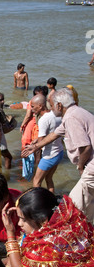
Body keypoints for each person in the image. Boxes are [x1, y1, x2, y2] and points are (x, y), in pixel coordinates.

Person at [22, 88, 94, 223]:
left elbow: (85, 147)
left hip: (91, 168)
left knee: (73, 205)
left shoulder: (71, 118)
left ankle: (76, 234)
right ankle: (87, 229)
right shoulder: (76, 112)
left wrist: (80, 166)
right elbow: (54, 134)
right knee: (88, 203)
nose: (50, 107)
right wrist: (35, 146)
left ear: (59, 105)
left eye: (51, 103)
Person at [30, 94, 63, 193]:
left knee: (36, 181)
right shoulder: (56, 114)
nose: (31, 109)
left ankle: (38, 205)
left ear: (40, 106)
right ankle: (52, 202)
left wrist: (32, 147)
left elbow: (41, 142)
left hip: (49, 156)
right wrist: (37, 139)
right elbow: (52, 133)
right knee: (49, 179)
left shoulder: (43, 120)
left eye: (33, 106)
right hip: (59, 152)